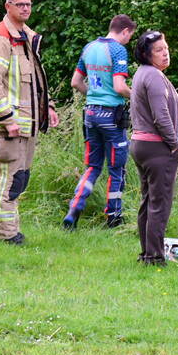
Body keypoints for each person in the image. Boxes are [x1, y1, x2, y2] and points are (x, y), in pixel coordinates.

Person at [0, 0, 59, 246]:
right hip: (13, 126)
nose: (25, 8)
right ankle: (5, 234)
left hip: (28, 125)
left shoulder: (25, 37)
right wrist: (7, 120)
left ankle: (11, 230)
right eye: (20, 4)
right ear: (8, 7)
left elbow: (34, 82)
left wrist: (48, 108)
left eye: (28, 4)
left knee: (19, 179)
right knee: (8, 179)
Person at [63, 14, 137, 230]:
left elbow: (76, 82)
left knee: (92, 166)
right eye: (129, 36)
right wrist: (138, 97)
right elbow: (119, 87)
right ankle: (114, 217)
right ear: (124, 31)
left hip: (90, 114)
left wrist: (93, 94)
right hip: (111, 117)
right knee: (117, 169)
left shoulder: (89, 48)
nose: (128, 41)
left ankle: (75, 207)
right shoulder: (117, 50)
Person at [129, 31, 178, 265]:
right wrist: (173, 143)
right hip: (156, 147)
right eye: (159, 50)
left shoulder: (144, 74)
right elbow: (161, 116)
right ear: (146, 54)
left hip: (141, 144)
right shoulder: (153, 77)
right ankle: (154, 257)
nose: (165, 53)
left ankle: (147, 253)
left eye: (166, 48)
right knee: (159, 204)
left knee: (149, 201)